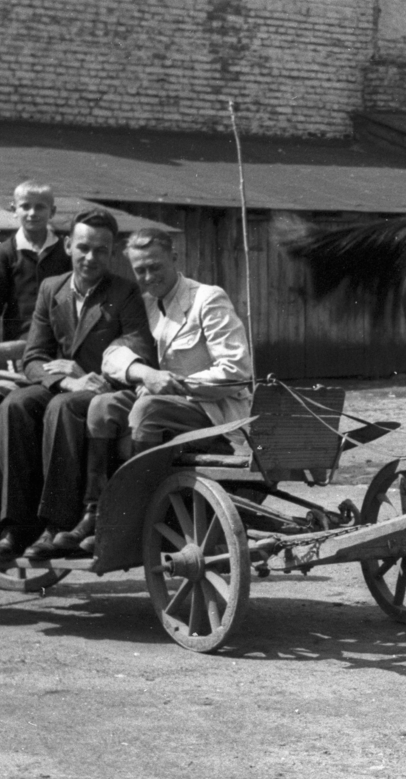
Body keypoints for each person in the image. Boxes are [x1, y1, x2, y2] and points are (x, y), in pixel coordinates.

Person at [41, 229, 252, 555]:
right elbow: (112, 356)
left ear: (174, 259)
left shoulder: (207, 299)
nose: (149, 277)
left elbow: (236, 371)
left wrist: (174, 385)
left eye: (156, 267)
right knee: (101, 406)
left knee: (146, 409)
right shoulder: (143, 306)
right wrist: (144, 373)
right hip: (162, 407)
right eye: (140, 271)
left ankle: (138, 519)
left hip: (215, 415)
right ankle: (95, 512)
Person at [0, 210, 155, 563]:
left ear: (112, 253)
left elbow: (138, 349)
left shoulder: (124, 293)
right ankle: (16, 526)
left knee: (62, 407)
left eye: (101, 250)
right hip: (65, 384)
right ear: (67, 246)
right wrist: (66, 379)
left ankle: (55, 525)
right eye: (83, 248)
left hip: (105, 389)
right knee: (14, 405)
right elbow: (34, 357)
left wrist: (88, 374)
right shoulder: (52, 289)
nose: (91, 258)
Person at [0, 180, 71, 377]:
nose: (32, 213)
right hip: (21, 346)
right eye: (25, 206)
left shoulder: (65, 252)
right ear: (14, 209)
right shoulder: (5, 253)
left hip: (62, 345)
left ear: (52, 211)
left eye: (40, 207)